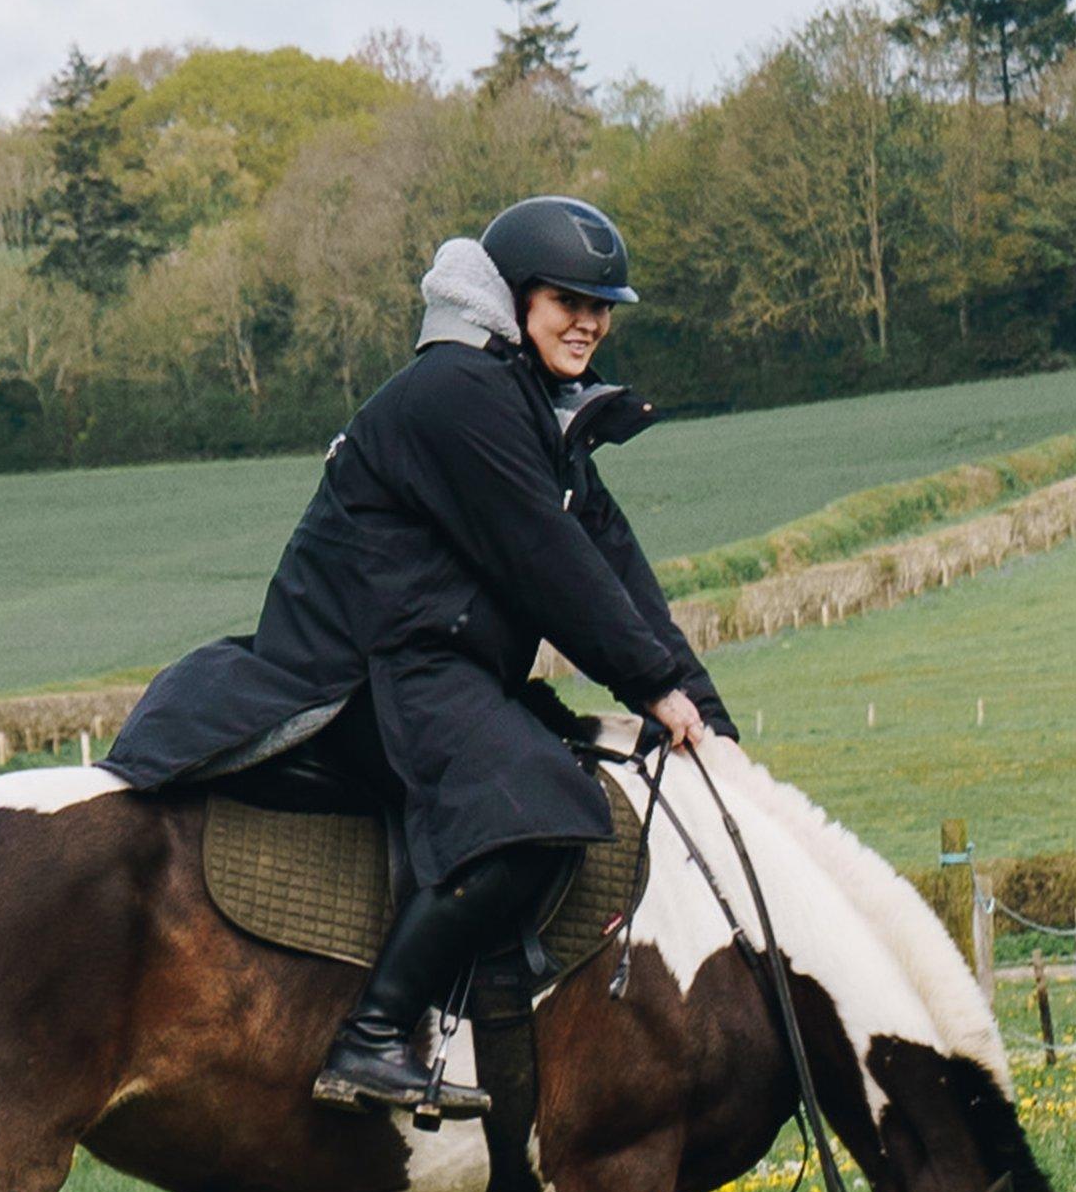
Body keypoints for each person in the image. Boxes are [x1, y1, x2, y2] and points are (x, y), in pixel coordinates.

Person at [107, 193, 734, 1116]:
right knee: (536, 809)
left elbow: (616, 564)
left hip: (436, 663)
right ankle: (371, 1033)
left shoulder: (537, 410)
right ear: (517, 298)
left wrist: (704, 718)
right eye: (570, 300)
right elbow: (547, 561)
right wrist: (647, 686)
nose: (592, 322)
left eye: (604, 306)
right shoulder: (458, 394)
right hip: (364, 668)